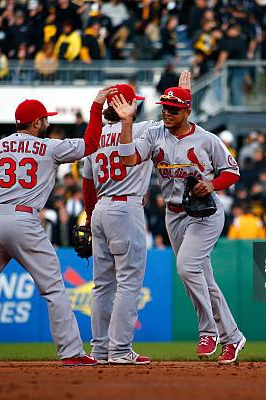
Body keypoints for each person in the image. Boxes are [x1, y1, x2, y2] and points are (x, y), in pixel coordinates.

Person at [0, 88, 115, 368]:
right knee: (53, 288)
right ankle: (71, 353)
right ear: (36, 123)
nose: (47, 123)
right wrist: (96, 105)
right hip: (24, 221)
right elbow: (91, 143)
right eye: (45, 119)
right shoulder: (50, 147)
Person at [113, 86, 246, 364]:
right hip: (174, 215)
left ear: (188, 111)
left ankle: (208, 331)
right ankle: (232, 337)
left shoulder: (207, 139)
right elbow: (128, 159)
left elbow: (232, 172)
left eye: (174, 109)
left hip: (204, 214)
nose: (167, 112)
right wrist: (126, 122)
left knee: (186, 267)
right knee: (204, 281)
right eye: (165, 107)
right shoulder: (154, 133)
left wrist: (212, 183)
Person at [80, 73, 190, 365]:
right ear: (126, 104)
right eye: (133, 102)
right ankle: (119, 350)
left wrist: (89, 218)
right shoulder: (143, 129)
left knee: (103, 285)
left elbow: (87, 184)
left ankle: (101, 350)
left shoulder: (95, 135)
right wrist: (185, 94)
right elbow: (178, 125)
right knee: (128, 283)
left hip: (101, 209)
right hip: (126, 208)